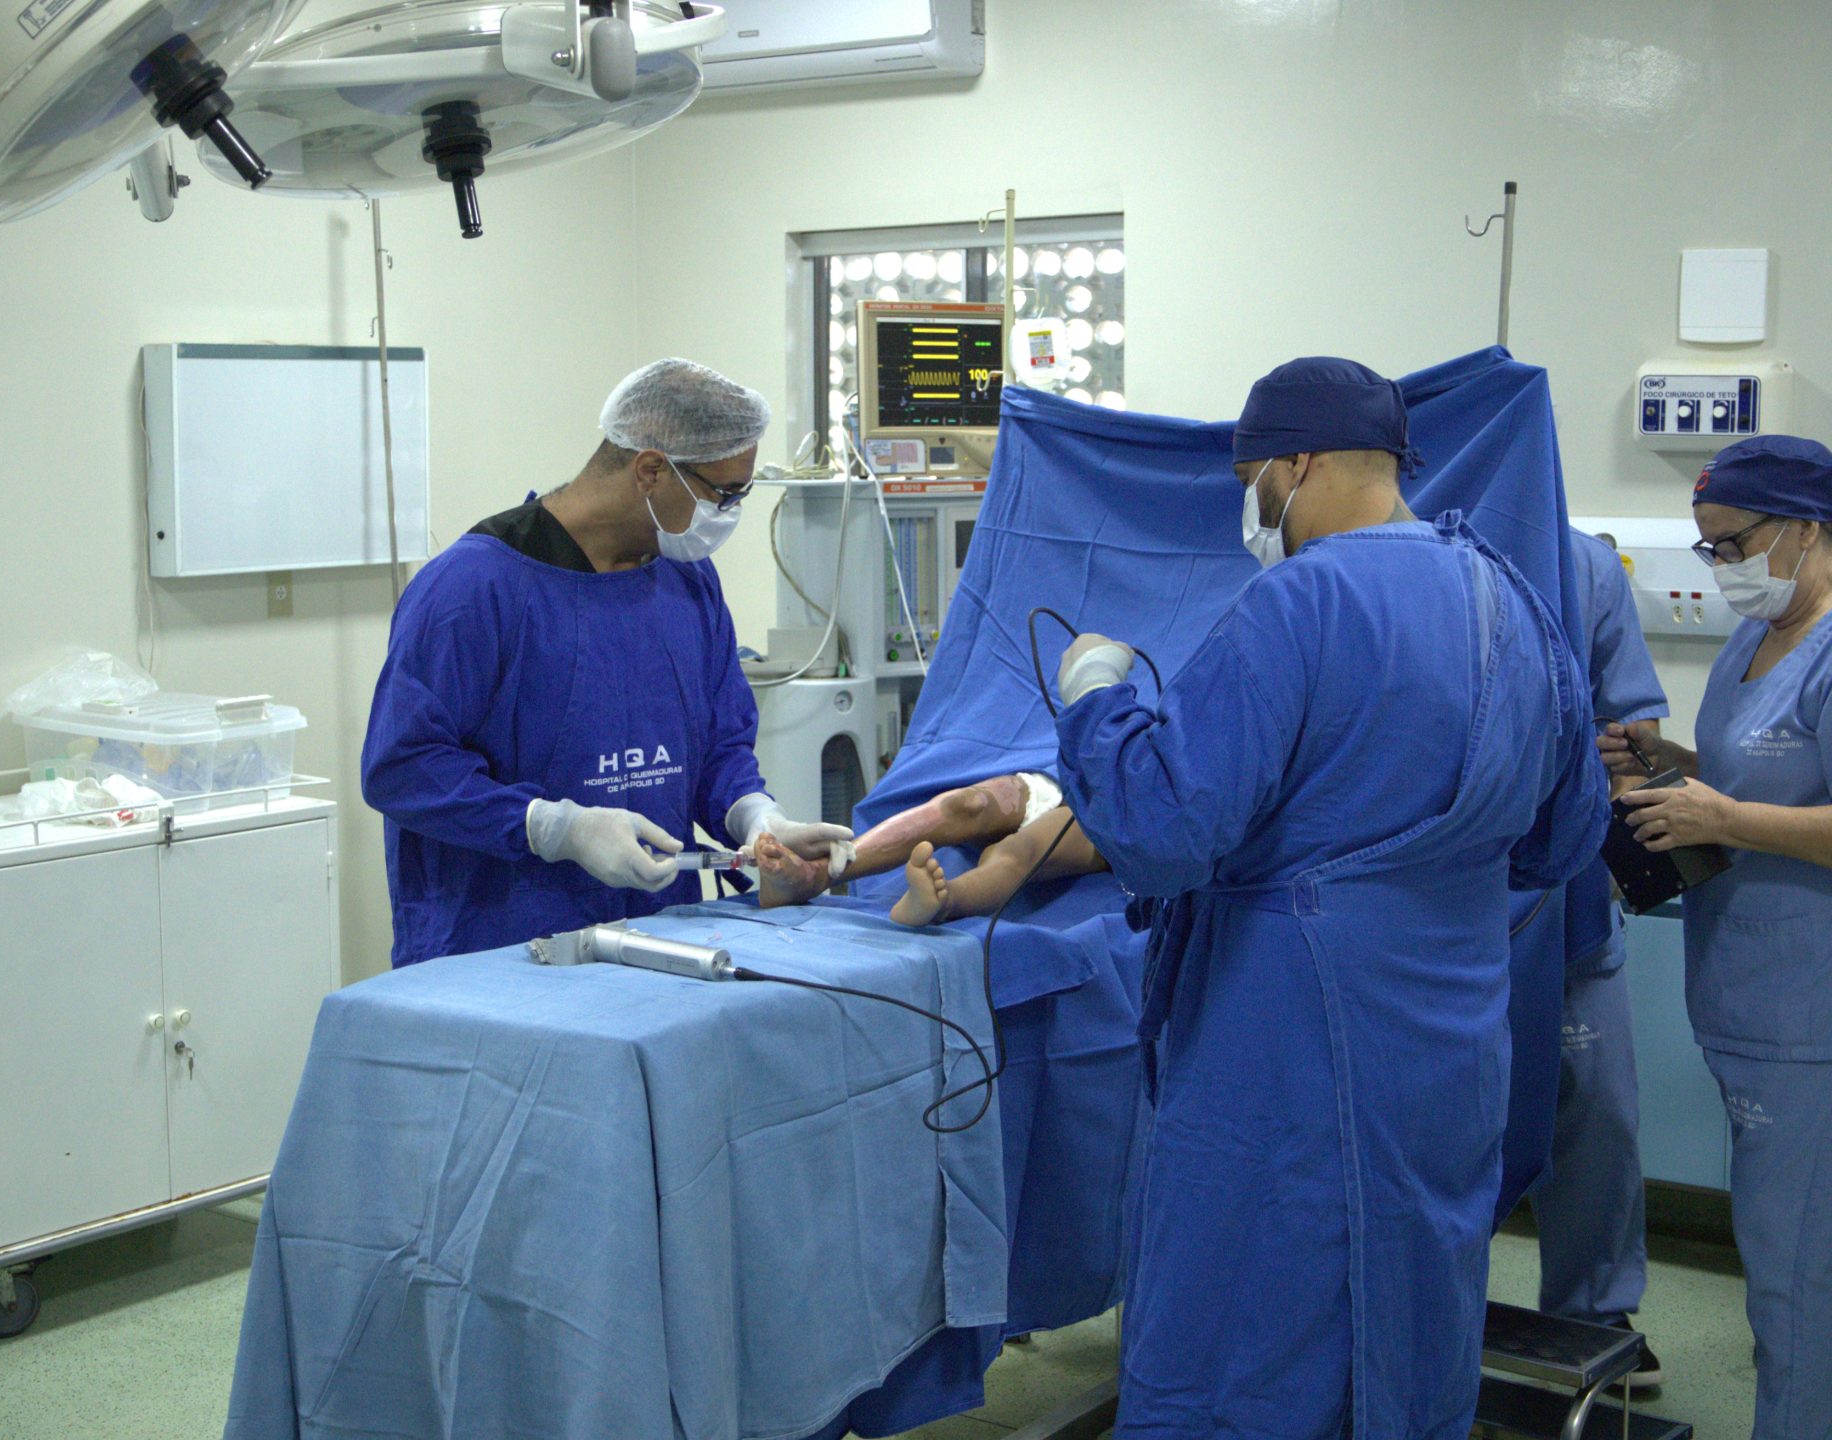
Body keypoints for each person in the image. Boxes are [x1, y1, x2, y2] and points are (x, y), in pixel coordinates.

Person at [1049, 357, 1607, 1439]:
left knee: (1246, 1314)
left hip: (1287, 1039)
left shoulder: (1300, 601)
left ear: (1294, 466)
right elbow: (1565, 837)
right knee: (1411, 1298)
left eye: (1251, 476)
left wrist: (1097, 701)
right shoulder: (1513, 598)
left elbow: (1162, 831)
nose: (1250, 505)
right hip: (1447, 1044)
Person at [362, 359, 853, 968]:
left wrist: (756, 818)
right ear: (650, 470)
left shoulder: (687, 581)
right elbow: (402, 767)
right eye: (724, 494)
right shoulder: (473, 588)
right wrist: (553, 828)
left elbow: (718, 746)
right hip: (499, 949)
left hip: (664, 939)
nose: (730, 513)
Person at [1601, 434, 1832, 1440]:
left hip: (1810, 1014)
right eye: (1705, 552)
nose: (1722, 569)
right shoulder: (1755, 638)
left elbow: (1748, 815)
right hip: (1746, 992)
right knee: (1782, 1254)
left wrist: (1723, 822)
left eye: (1733, 545)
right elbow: (1751, 778)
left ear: (1809, 530)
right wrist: (1671, 761)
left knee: (1798, 1281)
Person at [1527, 529, 1668, 1384]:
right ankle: (1425, 1297)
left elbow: (1635, 722)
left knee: (1597, 1112)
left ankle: (1595, 1309)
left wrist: (1627, 766)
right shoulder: (1399, 563)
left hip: (1566, 883)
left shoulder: (1581, 563)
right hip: (1441, 894)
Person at [749, 771, 1107, 923]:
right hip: (1066, 770)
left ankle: (943, 900)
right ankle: (815, 875)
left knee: (1018, 852)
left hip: (1115, 801)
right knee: (967, 805)